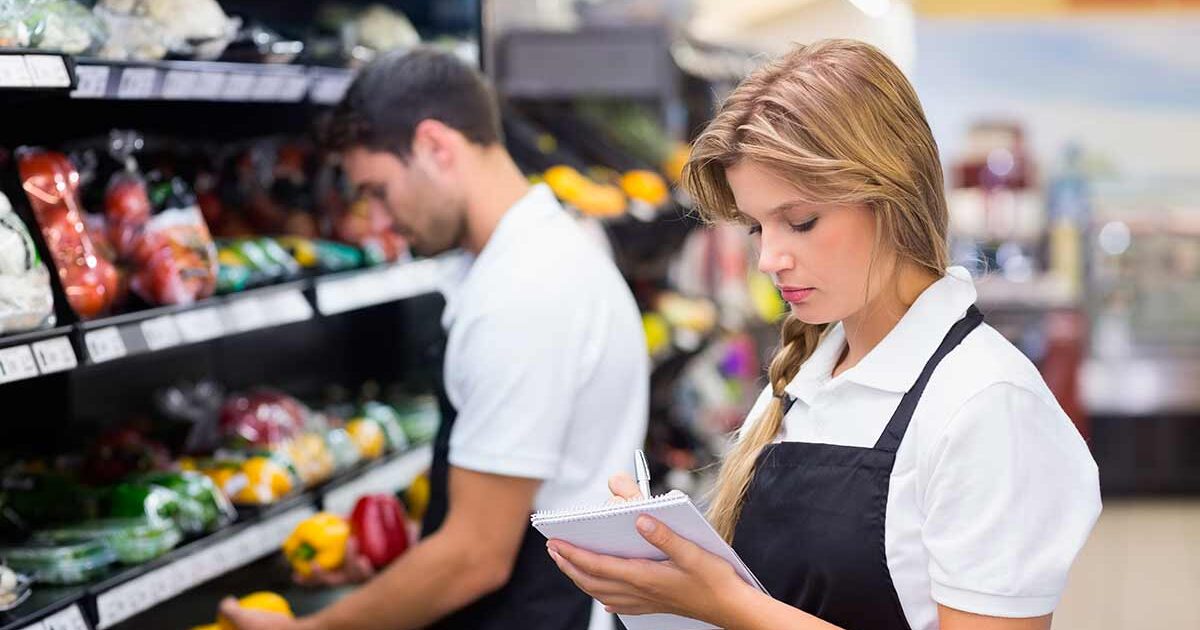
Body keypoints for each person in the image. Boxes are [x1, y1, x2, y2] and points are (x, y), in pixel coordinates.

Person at [546, 39, 1101, 630]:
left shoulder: (986, 404)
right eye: (757, 228)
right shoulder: (804, 377)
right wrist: (668, 571)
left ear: (892, 196)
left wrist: (722, 602)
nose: (769, 259)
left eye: (800, 221)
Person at [220, 47, 648, 630]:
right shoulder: (543, 254)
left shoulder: (523, 292)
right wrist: (395, 559)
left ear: (435, 146)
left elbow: (475, 558)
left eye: (377, 190)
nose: (378, 221)